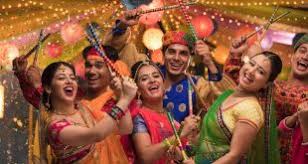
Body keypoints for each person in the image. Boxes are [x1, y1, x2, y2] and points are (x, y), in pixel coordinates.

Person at [107, 9, 235, 123]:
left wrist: (209, 62)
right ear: (163, 54)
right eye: (171, 51)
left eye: (183, 53)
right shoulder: (147, 71)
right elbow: (114, 52)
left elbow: (223, 103)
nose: (176, 58)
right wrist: (122, 25)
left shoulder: (197, 85)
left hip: (179, 147)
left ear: (190, 59)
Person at [13, 46, 135, 163]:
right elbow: (97, 134)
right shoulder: (56, 127)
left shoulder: (85, 109)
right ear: (48, 88)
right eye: (61, 78)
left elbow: (125, 128)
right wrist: (125, 99)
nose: (69, 81)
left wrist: (120, 95)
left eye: (72, 77)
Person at [224, 33, 308, 163]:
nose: (306, 57)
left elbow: (287, 98)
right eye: (302, 51)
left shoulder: (273, 88)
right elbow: (235, 81)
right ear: (293, 56)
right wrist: (235, 54)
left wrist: (259, 61)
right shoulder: (272, 85)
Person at [192, 51, 282, 163]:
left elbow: (234, 157)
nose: (251, 71)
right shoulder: (227, 95)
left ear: (266, 84)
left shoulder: (251, 110)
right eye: (252, 64)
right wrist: (185, 151)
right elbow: (205, 135)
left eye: (260, 72)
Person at [130, 60, 200, 164]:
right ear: (138, 91)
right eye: (144, 79)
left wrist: (193, 135)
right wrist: (180, 135)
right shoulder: (139, 117)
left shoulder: (168, 115)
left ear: (163, 85)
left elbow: (185, 152)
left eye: (156, 76)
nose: (152, 80)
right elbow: (145, 156)